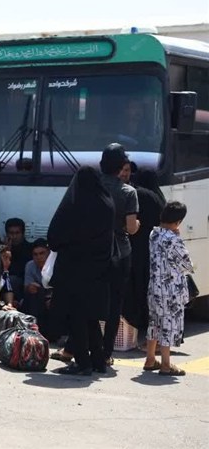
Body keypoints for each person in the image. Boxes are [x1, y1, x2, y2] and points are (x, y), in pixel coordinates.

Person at [49, 166, 114, 375]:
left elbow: (54, 237)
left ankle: (83, 363)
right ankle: (98, 361)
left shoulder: (75, 205)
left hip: (74, 271)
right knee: (91, 317)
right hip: (99, 271)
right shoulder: (107, 203)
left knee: (75, 317)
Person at [99, 143, 139, 365]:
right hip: (120, 252)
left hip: (94, 251)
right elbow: (131, 228)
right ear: (121, 166)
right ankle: (106, 353)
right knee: (115, 304)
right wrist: (137, 224)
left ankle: (79, 347)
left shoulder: (91, 186)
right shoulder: (128, 192)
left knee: (90, 300)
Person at [144, 201, 195, 376]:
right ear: (178, 221)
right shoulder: (173, 239)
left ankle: (150, 359)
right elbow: (187, 264)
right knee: (168, 325)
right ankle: (166, 364)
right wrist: (178, 237)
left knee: (154, 322)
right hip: (171, 290)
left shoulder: (154, 233)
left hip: (154, 287)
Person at [123, 169, 166, 345]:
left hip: (137, 247)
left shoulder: (138, 194)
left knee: (135, 285)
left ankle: (135, 320)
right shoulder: (158, 197)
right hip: (153, 249)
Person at [23, 238, 54, 338]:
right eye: (35, 254)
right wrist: (30, 287)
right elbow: (26, 286)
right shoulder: (30, 265)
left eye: (42, 253)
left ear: (48, 253)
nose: (39, 257)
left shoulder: (55, 265)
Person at [4, 218, 33, 301]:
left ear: (22, 233)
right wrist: (6, 252)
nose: (14, 236)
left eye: (17, 233)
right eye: (11, 233)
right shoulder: (2, 249)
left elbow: (19, 271)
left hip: (21, 284)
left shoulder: (30, 249)